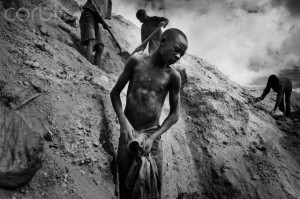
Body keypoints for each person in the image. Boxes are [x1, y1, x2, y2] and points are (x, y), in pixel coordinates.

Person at [110, 28, 188, 199]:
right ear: (163, 41)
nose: (178, 56)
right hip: (128, 135)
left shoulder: (173, 76)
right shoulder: (136, 62)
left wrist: (153, 138)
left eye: (182, 54)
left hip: (151, 138)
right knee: (125, 187)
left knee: (152, 189)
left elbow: (174, 114)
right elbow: (114, 93)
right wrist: (123, 122)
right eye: (177, 49)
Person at [79, 0, 112, 67]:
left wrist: (104, 24)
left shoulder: (109, 2)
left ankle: (95, 69)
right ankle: (86, 65)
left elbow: (101, 17)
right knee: (92, 41)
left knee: (100, 47)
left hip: (95, 22)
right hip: (88, 15)